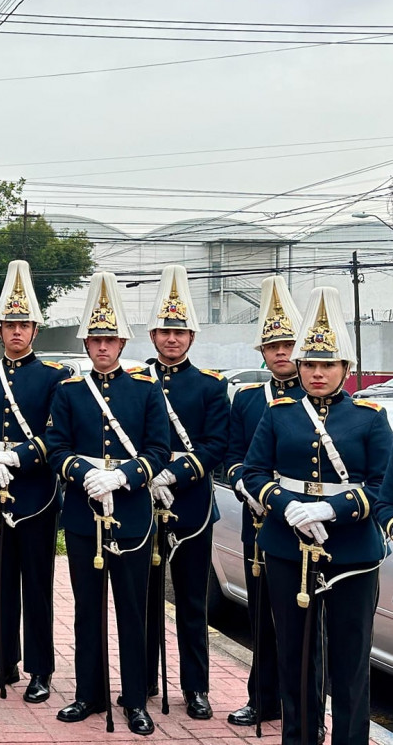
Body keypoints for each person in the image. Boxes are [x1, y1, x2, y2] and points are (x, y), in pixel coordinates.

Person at [244, 287, 388, 745]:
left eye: (328, 364)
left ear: (345, 369)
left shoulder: (370, 417)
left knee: (349, 664)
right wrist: (287, 507)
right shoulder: (278, 413)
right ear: (299, 368)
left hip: (351, 554)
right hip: (289, 550)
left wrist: (331, 507)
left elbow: (383, 485)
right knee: (297, 660)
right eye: (309, 363)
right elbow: (252, 473)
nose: (318, 372)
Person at [46, 272, 170, 736]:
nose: (102, 347)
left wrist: (122, 475)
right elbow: (56, 448)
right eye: (95, 339)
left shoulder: (144, 390)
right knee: (86, 610)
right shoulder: (70, 392)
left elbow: (158, 450)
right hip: (82, 515)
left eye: (110, 340)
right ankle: (88, 693)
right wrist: (84, 472)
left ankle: (135, 699)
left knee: (131, 611)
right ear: (86, 343)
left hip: (133, 516)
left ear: (122, 343)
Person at [0, 260, 67, 702]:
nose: (17, 332)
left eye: (25, 325)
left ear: (35, 331)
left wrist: (17, 456)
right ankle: (4, 663)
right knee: (0, 584)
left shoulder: (53, 377)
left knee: (37, 587)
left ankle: (40, 669)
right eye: (10, 325)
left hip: (35, 497)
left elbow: (56, 434)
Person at [139, 265, 229, 720]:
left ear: (191, 336)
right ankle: (145, 680)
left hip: (192, 504)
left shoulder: (211, 386)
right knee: (144, 599)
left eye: (179, 332)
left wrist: (175, 473)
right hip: (141, 503)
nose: (171, 339)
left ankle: (196, 688)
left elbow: (217, 444)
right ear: (152, 335)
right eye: (164, 331)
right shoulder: (136, 382)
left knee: (192, 603)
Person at [223, 276, 307, 730]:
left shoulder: (316, 399)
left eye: (289, 343)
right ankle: (263, 698)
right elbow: (234, 458)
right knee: (260, 617)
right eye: (273, 345)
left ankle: (303, 706)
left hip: (304, 529)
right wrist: (245, 488)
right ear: (261, 352)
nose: (281, 352)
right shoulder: (249, 399)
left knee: (303, 624)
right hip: (256, 526)